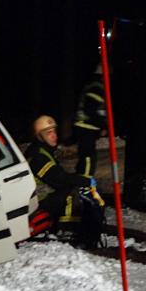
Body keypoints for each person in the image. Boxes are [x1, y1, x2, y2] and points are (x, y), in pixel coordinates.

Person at [25, 115, 102, 247]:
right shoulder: (38, 155)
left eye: (54, 131)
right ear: (39, 136)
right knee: (71, 192)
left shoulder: (44, 150)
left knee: (74, 188)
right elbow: (59, 179)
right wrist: (84, 181)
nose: (54, 135)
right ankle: (67, 230)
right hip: (38, 200)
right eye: (48, 133)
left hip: (44, 194)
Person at [73, 64, 108, 177]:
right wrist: (101, 126)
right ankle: (85, 185)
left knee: (86, 157)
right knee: (88, 158)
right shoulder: (97, 88)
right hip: (86, 127)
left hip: (86, 127)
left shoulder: (95, 86)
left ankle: (81, 181)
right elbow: (91, 109)